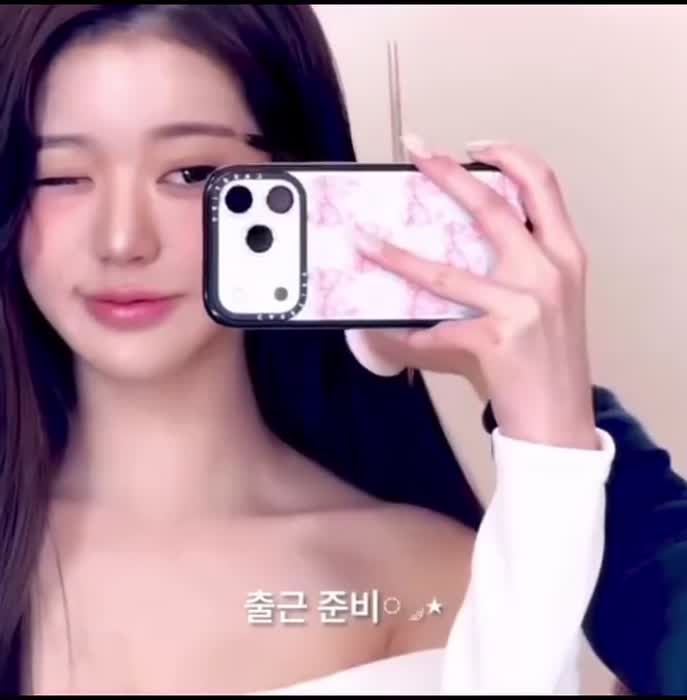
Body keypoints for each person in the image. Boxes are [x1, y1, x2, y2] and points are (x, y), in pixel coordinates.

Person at [0, 4, 682, 695]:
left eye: (193, 172)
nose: (122, 241)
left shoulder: (424, 580)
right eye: (58, 176)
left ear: (309, 185)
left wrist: (548, 443)